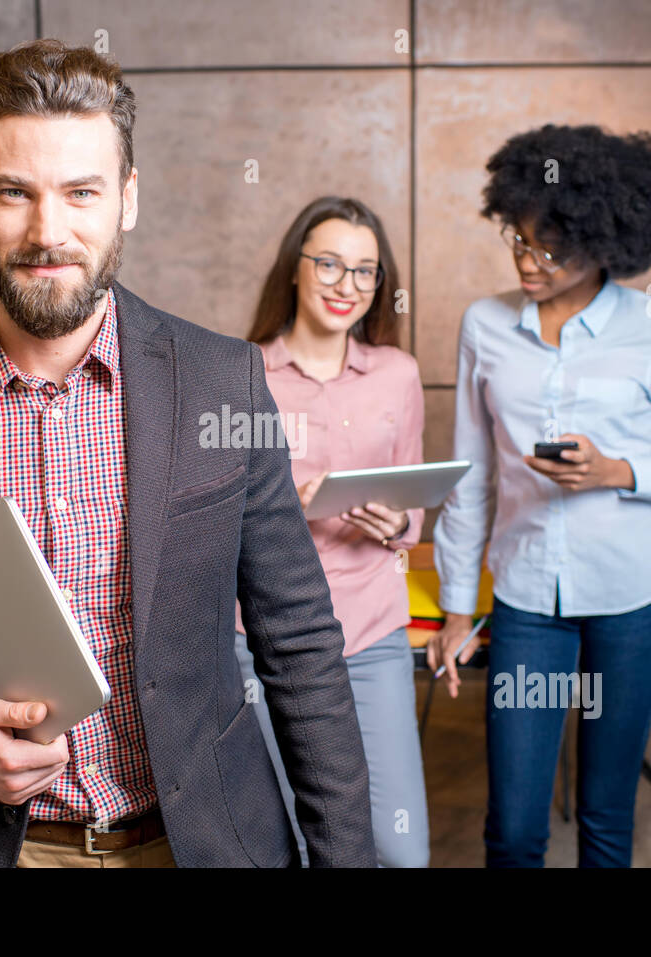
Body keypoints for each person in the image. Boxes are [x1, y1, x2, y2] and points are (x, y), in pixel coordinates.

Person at [0, 39, 376, 869]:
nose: (46, 231)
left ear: (127, 198)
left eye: (81, 192)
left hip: (204, 841)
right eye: (13, 192)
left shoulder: (222, 381)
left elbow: (301, 641)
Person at [427, 124, 651, 867]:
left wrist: (620, 472)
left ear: (609, 243)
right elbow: (471, 473)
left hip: (634, 598)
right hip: (529, 599)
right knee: (512, 826)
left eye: (552, 248)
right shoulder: (486, 323)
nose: (527, 261)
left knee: (605, 817)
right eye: (519, 238)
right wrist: (457, 606)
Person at [236, 196, 430, 867]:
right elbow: (212, 521)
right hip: (265, 634)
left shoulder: (398, 375)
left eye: (364, 271)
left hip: (373, 626)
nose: (346, 285)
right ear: (295, 268)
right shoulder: (240, 375)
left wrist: (401, 520)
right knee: (292, 836)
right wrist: (292, 504)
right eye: (329, 263)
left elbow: (415, 497)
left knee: (399, 849)